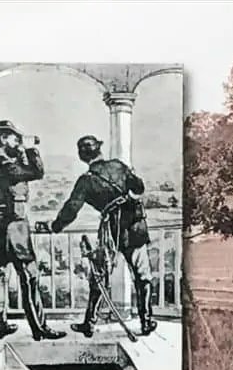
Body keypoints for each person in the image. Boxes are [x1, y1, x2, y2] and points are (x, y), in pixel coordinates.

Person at [35, 135, 157, 338]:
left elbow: (71, 209)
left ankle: (89, 323)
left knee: (99, 278)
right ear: (100, 150)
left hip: (111, 232)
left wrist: (54, 227)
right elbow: (139, 187)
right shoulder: (119, 166)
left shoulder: (86, 180)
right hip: (136, 228)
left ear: (82, 157)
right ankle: (146, 322)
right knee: (143, 276)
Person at [0, 120, 67, 341]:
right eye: (14, 138)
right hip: (15, 225)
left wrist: (20, 151)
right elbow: (37, 172)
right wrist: (29, 148)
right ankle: (39, 328)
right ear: (3, 139)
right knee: (29, 276)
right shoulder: (6, 166)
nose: (17, 141)